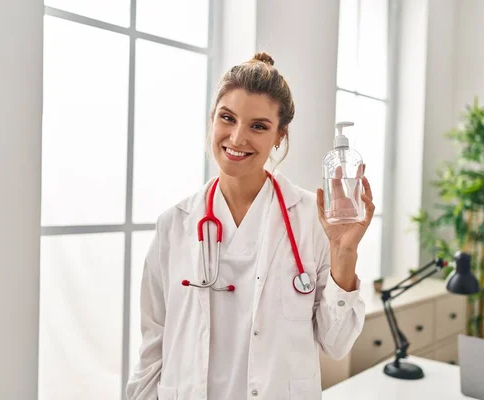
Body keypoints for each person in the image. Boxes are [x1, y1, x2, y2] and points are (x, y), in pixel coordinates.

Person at [126, 52, 375, 400]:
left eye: (258, 126)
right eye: (227, 118)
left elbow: (335, 345)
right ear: (212, 120)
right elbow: (152, 351)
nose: (238, 137)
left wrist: (344, 252)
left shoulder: (309, 218)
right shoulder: (174, 226)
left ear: (279, 136)